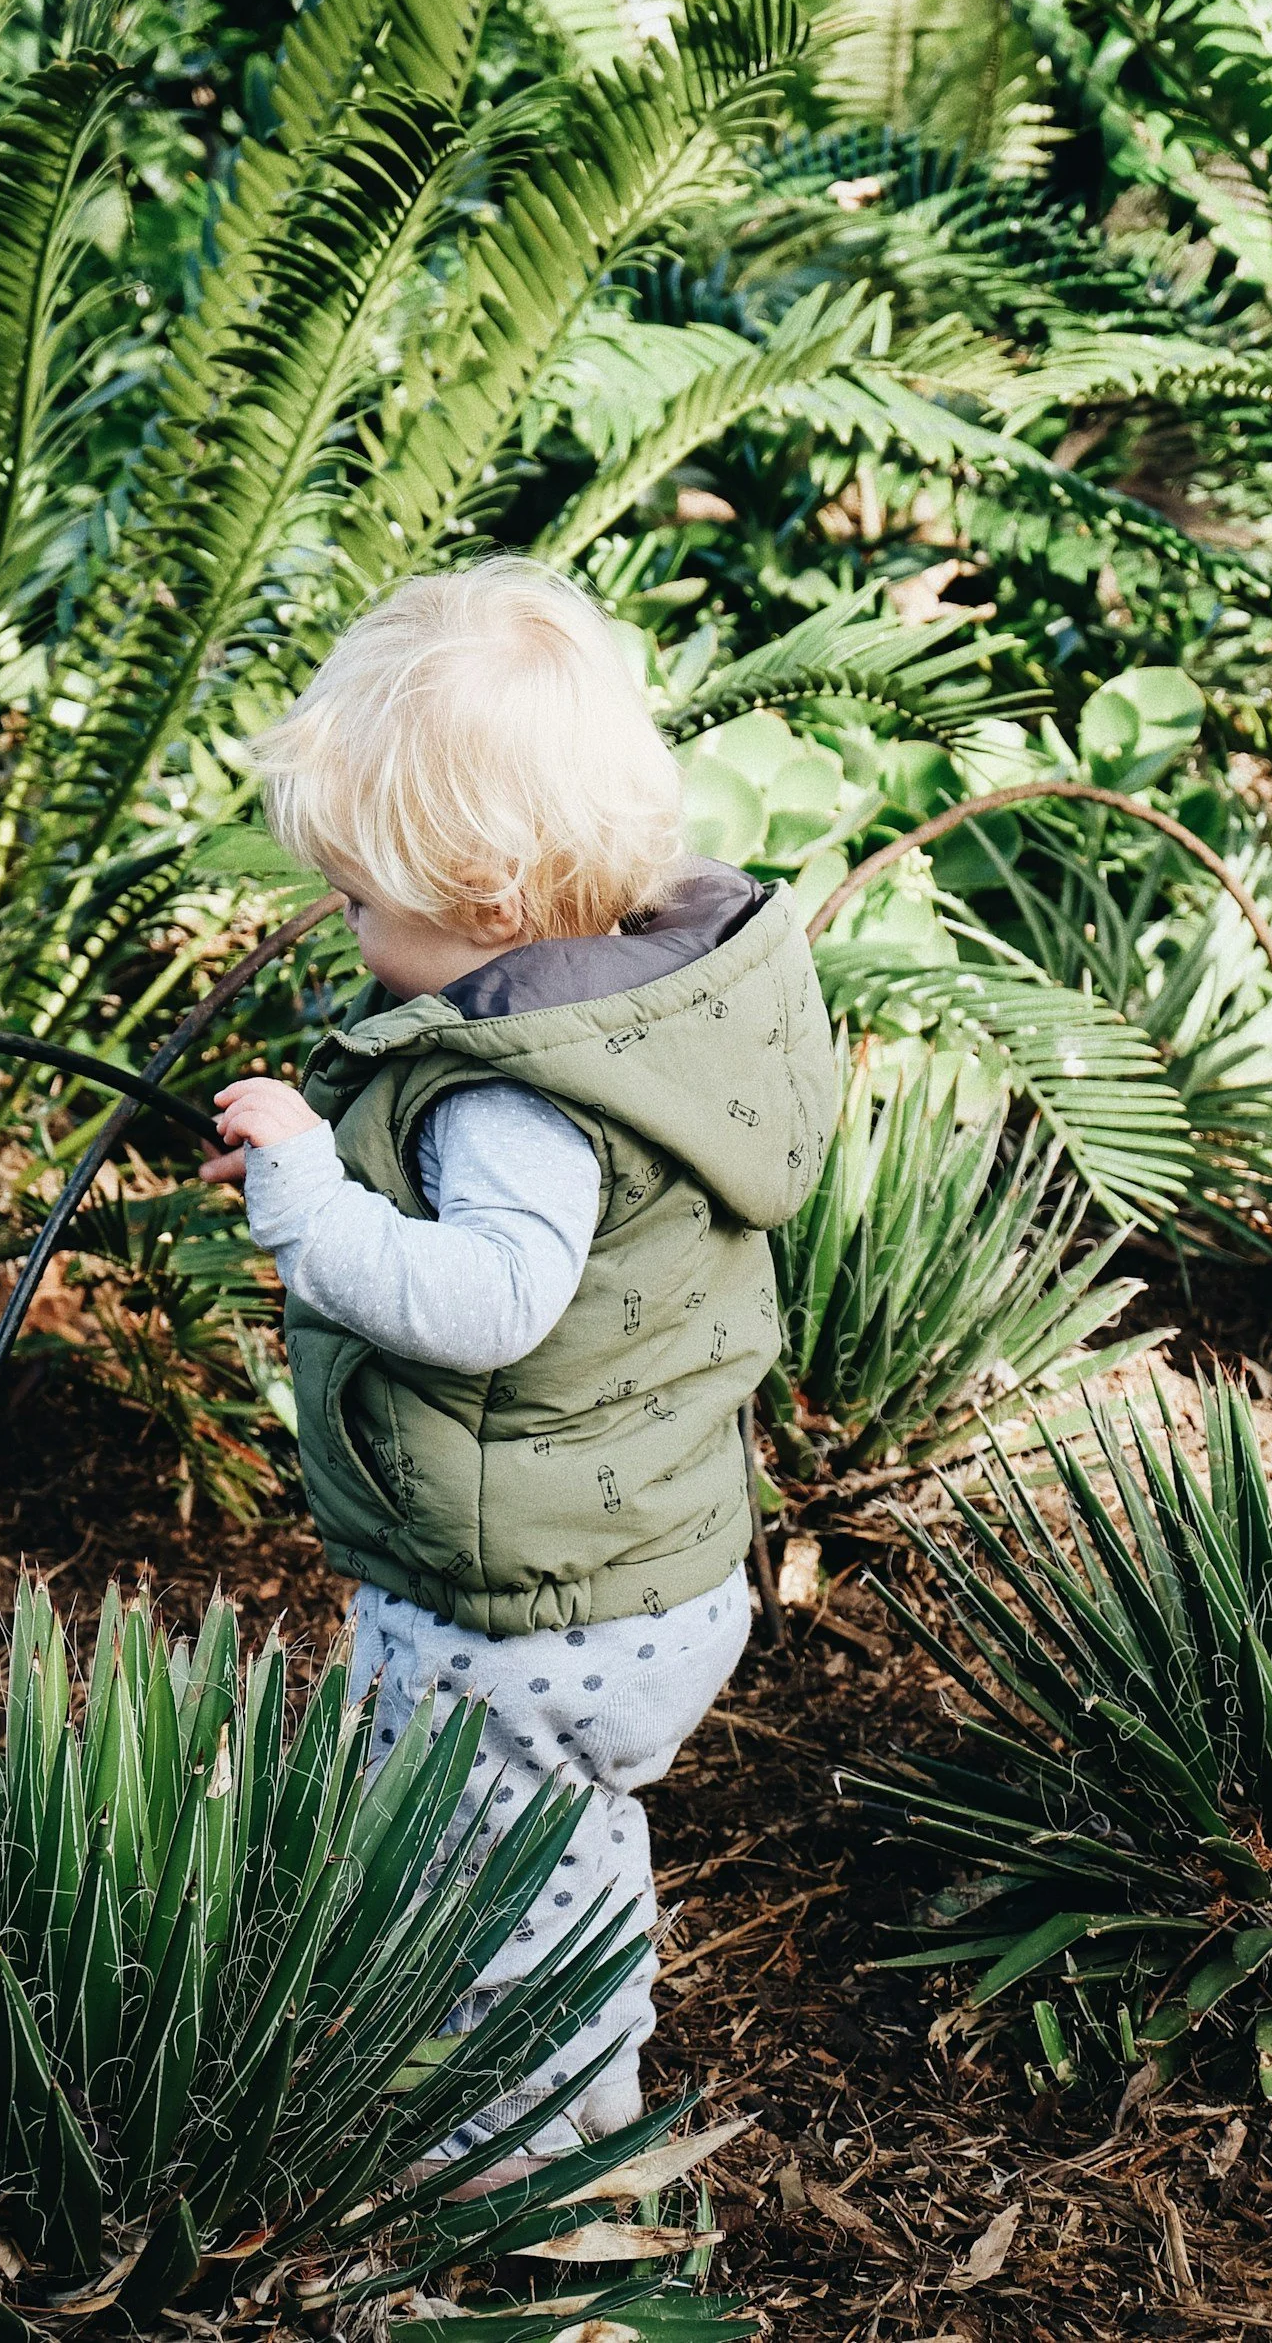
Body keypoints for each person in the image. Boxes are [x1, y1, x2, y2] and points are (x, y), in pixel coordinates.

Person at [200, 555, 835, 2177]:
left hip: (526, 1606)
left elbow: (488, 1304)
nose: (342, 926)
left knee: (505, 1888)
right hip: (645, 1561)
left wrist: (304, 1197)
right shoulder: (648, 1016)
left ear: (480, 903)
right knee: (552, 1847)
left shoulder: (511, 1095)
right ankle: (538, 2075)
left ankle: (522, 2162)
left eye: (360, 901)